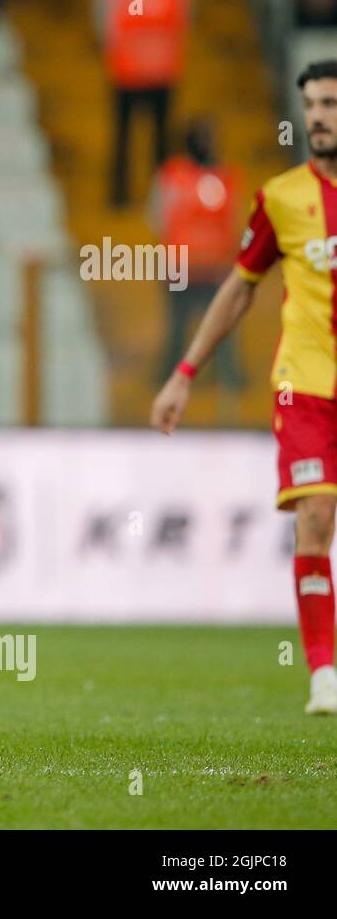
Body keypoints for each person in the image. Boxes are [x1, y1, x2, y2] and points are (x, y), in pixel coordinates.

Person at [151, 60, 337, 716]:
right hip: (306, 385)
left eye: (330, 104)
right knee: (315, 518)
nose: (318, 116)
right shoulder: (282, 197)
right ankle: (324, 675)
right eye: (311, 104)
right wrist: (185, 372)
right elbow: (237, 290)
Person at [152, 120, 243, 388]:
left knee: (220, 332)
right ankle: (173, 378)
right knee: (180, 330)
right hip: (188, 268)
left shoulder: (178, 175)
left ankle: (227, 380)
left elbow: (157, 219)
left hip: (208, 268)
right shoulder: (176, 175)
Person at [96, 0, 191, 206]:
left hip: (162, 69)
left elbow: (184, 13)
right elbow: (103, 16)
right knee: (124, 136)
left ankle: (160, 200)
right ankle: (120, 197)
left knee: (161, 138)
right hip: (127, 69)